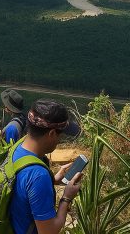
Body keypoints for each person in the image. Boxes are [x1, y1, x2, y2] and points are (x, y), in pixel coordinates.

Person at [10, 99, 82, 234]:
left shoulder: (16, 149)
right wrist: (66, 197)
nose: (60, 140)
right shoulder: (38, 176)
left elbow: (23, 187)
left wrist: (53, 180)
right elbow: (48, 231)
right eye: (61, 135)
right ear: (52, 134)